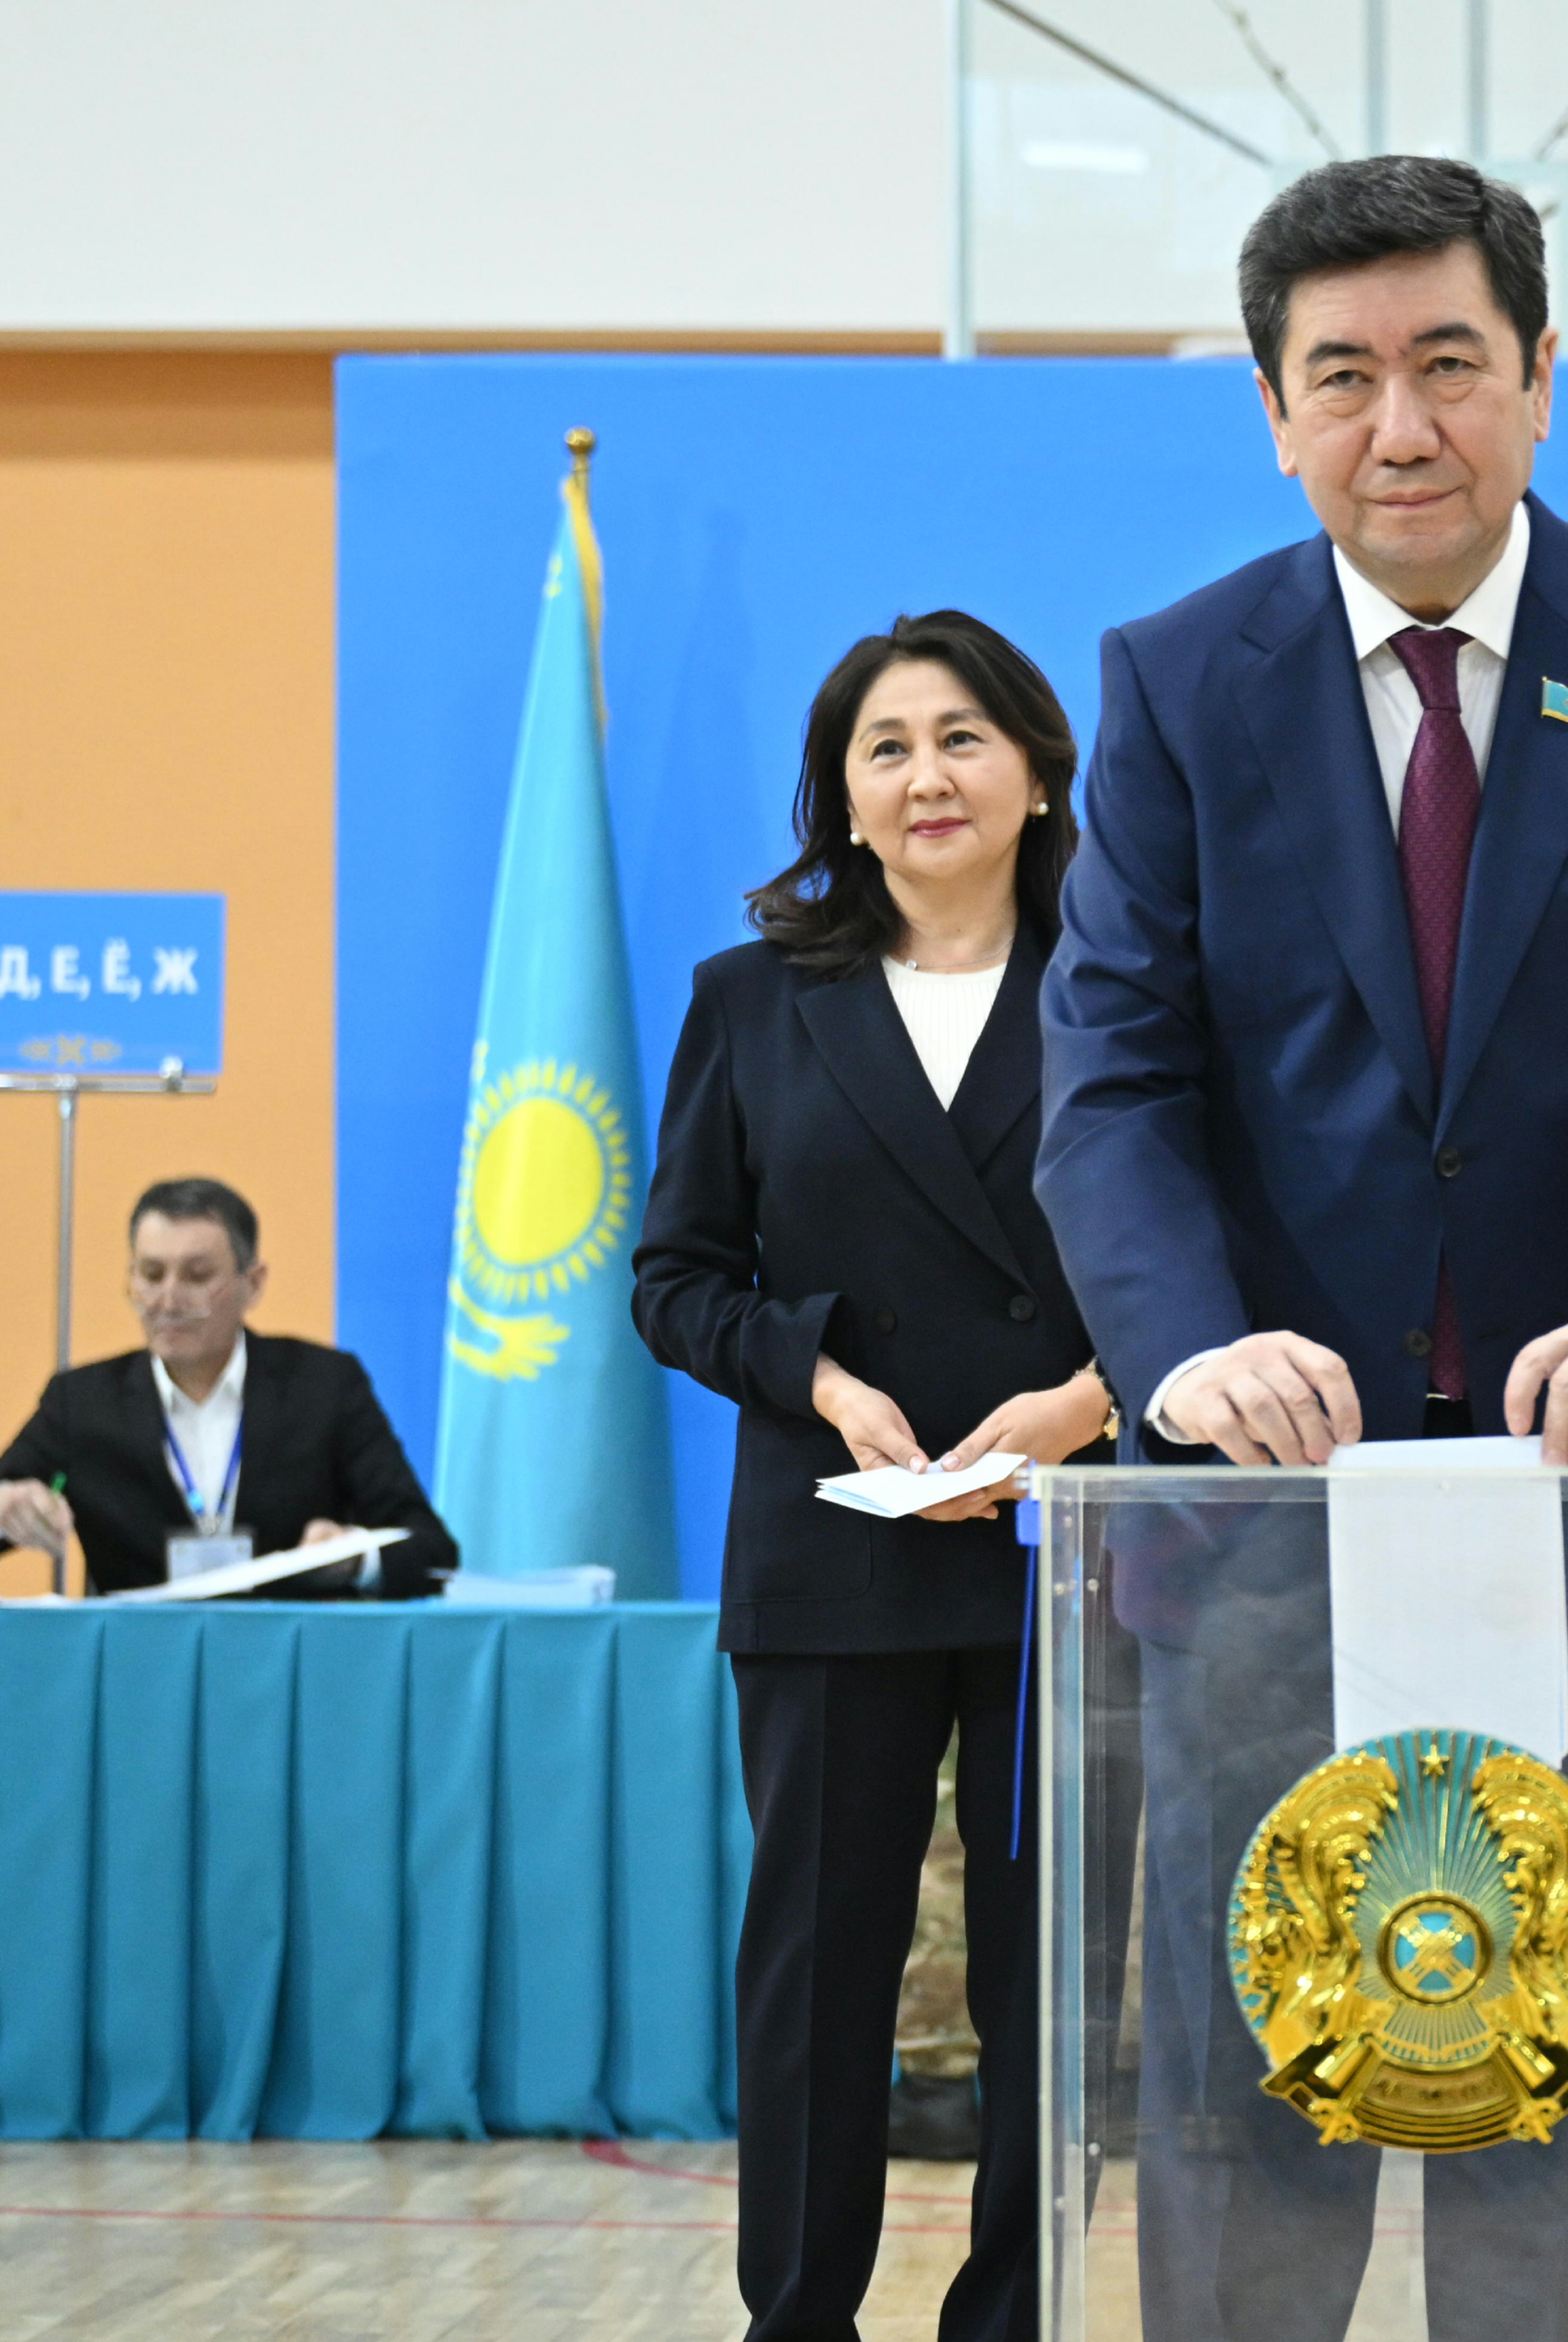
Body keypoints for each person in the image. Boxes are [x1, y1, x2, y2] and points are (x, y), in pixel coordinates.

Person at [1036, 158, 1568, 2342]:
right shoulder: (1177, 678)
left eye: (1447, 365)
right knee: (1254, 2056)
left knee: (1528, 2046)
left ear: (1539, 380)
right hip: (1260, 1507)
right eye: (1342, 377)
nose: (1399, 427)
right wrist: (1183, 1350)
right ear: (1272, 412)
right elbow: (1108, 1073)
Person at [632, 611, 1115, 2342]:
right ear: (839, 796)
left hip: (1070, 1535)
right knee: (817, 1972)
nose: (926, 775)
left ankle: (1012, 2317)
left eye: (963, 736)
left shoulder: (1132, 982)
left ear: (1039, 773)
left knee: (1046, 1976)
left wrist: (1085, 1404)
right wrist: (825, 1380)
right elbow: (677, 1278)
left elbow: (1222, 1247)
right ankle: (795, 2318)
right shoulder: (750, 1000)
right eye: (885, 746)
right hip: (836, 1540)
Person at [0, 1178, 455, 1598]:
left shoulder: (323, 1386)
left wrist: (354, 1558)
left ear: (253, 1283)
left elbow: (432, 1548)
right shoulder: (84, 1403)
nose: (168, 1300)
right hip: (138, 1671)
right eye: (151, 1275)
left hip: (291, 1668)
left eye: (196, 1276)